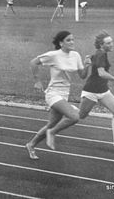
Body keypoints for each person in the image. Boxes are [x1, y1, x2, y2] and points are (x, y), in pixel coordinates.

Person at [25, 31, 91, 160]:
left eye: (73, 39)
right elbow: (33, 62)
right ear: (61, 43)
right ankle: (52, 133)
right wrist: (37, 81)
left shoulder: (76, 55)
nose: (72, 42)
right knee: (74, 116)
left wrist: (87, 65)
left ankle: (31, 144)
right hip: (53, 93)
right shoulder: (54, 55)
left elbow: (82, 76)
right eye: (68, 40)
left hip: (64, 94)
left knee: (51, 124)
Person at [79, 31, 114, 147]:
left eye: (111, 42)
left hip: (103, 91)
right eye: (108, 43)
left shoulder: (100, 54)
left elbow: (95, 60)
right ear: (101, 45)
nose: (111, 44)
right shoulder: (101, 54)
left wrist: (90, 59)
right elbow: (101, 73)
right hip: (91, 91)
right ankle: (63, 108)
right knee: (80, 116)